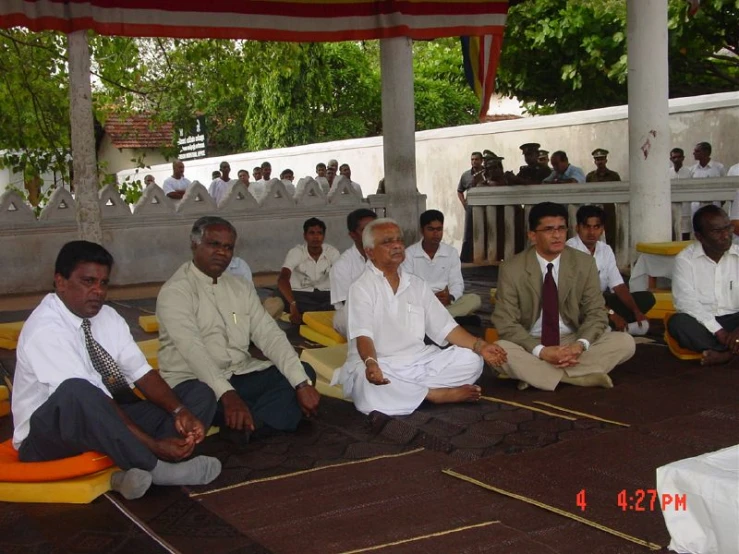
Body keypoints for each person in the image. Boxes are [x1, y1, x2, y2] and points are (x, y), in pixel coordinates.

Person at [12, 241, 221, 500]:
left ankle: (132, 468)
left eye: (103, 283)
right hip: (48, 436)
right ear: (60, 282)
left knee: (199, 393)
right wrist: (152, 443)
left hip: (103, 417)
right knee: (78, 390)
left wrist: (181, 412)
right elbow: (90, 401)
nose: (98, 291)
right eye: (88, 281)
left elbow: (142, 373)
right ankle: (158, 467)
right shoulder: (45, 329)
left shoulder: (107, 317)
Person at [157, 217, 319, 444]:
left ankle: (250, 425)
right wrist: (228, 395)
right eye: (214, 244)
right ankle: (264, 418)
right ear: (194, 245)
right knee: (203, 401)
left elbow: (269, 335)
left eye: (228, 247)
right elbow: (193, 351)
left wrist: (301, 384)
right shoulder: (176, 291)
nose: (222, 253)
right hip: (195, 382)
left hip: (240, 373)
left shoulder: (240, 286)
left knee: (303, 371)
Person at [331, 218, 507, 416]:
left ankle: (408, 393)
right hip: (381, 364)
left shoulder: (417, 284)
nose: (397, 245)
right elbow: (363, 336)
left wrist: (481, 346)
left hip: (419, 361)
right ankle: (433, 395)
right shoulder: (361, 288)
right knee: (367, 386)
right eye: (388, 242)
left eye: (399, 240)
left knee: (472, 359)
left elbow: (447, 327)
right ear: (370, 252)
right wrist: (371, 363)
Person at [492, 202, 635, 391]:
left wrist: (579, 345)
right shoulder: (512, 268)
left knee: (625, 342)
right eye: (549, 229)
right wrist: (541, 351)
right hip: (530, 341)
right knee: (499, 351)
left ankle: (538, 376)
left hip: (572, 338)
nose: (557, 235)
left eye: (561, 228)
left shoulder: (584, 263)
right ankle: (579, 377)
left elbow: (596, 312)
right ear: (533, 235)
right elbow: (506, 322)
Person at [566, 205, 655, 334]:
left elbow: (618, 285)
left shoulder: (605, 249)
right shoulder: (570, 250)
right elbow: (581, 296)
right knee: (585, 310)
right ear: (577, 228)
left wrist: (636, 311)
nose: (591, 232)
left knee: (646, 299)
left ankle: (612, 326)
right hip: (579, 302)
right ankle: (612, 326)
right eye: (587, 227)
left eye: (596, 227)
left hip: (602, 300)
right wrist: (611, 313)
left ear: (602, 229)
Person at [669, 206, 739, 366]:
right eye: (717, 231)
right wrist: (718, 331)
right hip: (704, 322)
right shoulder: (685, 260)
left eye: (728, 228)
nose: (726, 235)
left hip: (736, 318)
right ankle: (732, 350)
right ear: (699, 236)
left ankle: (726, 354)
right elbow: (686, 302)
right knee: (678, 324)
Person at [403, 210, 481, 323]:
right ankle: (447, 320)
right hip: (421, 303)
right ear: (422, 230)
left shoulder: (451, 253)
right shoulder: (409, 254)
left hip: (445, 303)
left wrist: (451, 297)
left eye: (439, 229)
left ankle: (433, 320)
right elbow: (407, 287)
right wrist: (429, 298)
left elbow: (457, 283)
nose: (436, 234)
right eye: (430, 229)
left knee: (474, 300)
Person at [278, 217, 340, 324]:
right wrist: (293, 305)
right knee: (279, 299)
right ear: (305, 236)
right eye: (311, 233)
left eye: (319, 233)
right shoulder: (296, 252)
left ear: (324, 236)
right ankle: (312, 313)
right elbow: (282, 279)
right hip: (300, 294)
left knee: (346, 300)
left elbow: (343, 275)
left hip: (325, 295)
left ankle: (307, 314)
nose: (316, 237)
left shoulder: (332, 252)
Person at [330, 208, 378, 337]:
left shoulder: (387, 257)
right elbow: (351, 305)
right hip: (353, 312)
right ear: (353, 235)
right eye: (365, 230)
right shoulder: (342, 266)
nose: (372, 234)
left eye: (375, 229)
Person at [457, 151, 485, 262]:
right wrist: (464, 202)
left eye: (476, 159)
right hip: (471, 206)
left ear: (481, 160)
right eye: (472, 159)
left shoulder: (487, 173)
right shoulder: (466, 175)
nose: (474, 162)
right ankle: (466, 258)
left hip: (485, 205)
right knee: (469, 231)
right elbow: (460, 190)